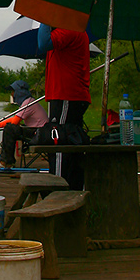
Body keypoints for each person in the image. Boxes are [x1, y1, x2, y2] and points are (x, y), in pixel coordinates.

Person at [37, 23, 91, 189]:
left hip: (67, 95)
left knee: (58, 140)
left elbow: (43, 43)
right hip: (63, 96)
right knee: (70, 142)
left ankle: (59, 190)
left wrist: (43, 18)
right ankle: (74, 188)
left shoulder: (71, 28)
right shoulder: (65, 32)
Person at [0, 80, 48, 170]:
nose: (12, 94)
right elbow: (15, 119)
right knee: (11, 128)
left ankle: (6, 162)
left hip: (39, 134)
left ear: (19, 92)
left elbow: (14, 121)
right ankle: (7, 161)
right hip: (36, 131)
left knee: (10, 129)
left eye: (13, 91)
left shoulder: (28, 103)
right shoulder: (28, 102)